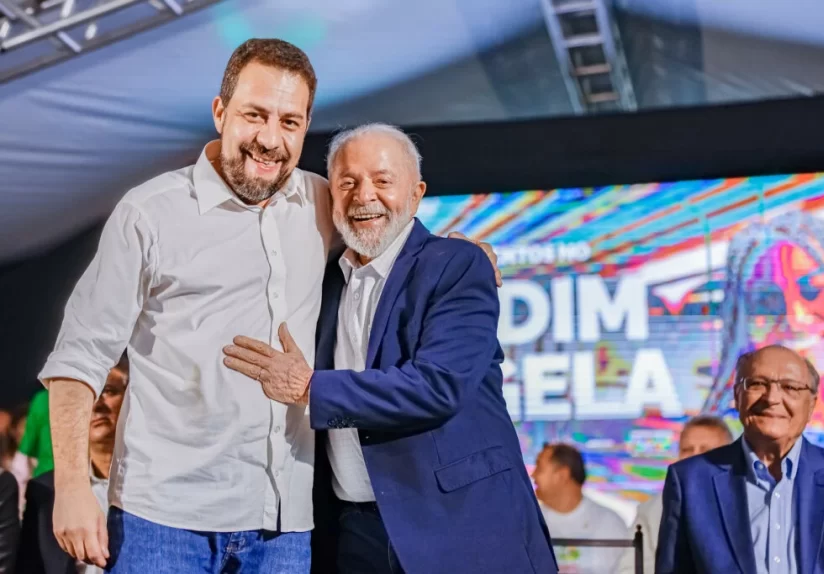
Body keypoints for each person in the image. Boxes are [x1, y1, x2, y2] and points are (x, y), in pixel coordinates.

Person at [38, 39, 496, 573]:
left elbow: (385, 230)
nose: (270, 139)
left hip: (284, 528)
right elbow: (79, 358)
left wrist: (457, 249)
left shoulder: (321, 201)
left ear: (304, 128)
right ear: (220, 112)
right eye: (255, 115)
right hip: (162, 519)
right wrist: (72, 488)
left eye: (289, 122)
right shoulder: (150, 213)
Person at [222, 123, 556, 574]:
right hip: (354, 533)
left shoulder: (457, 265)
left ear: (416, 195)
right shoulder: (323, 282)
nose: (364, 195)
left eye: (383, 180)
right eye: (347, 183)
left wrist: (308, 387)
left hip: (461, 525)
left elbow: (437, 386)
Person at [656, 344, 824, 573]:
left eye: (790, 387)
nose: (772, 398)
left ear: (811, 404)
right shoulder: (691, 482)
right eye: (757, 384)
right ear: (737, 396)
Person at [19, 354, 129, 574]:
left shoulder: (156, 485)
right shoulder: (44, 493)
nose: (96, 405)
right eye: (84, 397)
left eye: (108, 391)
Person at [616, 415, 732, 574]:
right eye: (687, 450)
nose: (695, 457)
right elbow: (629, 569)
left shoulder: (747, 503)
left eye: (705, 450)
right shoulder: (651, 510)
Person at [529, 442, 626, 573]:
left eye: (539, 468)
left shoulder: (610, 525)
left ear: (562, 474)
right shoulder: (530, 525)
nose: (533, 475)